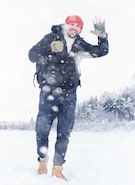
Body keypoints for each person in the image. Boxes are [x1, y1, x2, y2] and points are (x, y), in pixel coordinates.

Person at [28, 15, 109, 181]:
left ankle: (58, 168)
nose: (74, 27)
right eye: (71, 24)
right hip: (48, 93)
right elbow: (32, 55)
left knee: (64, 132)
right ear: (66, 25)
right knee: (42, 130)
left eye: (77, 26)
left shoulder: (80, 45)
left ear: (80, 29)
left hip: (69, 95)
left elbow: (102, 51)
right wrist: (49, 48)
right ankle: (43, 161)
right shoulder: (51, 37)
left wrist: (102, 36)